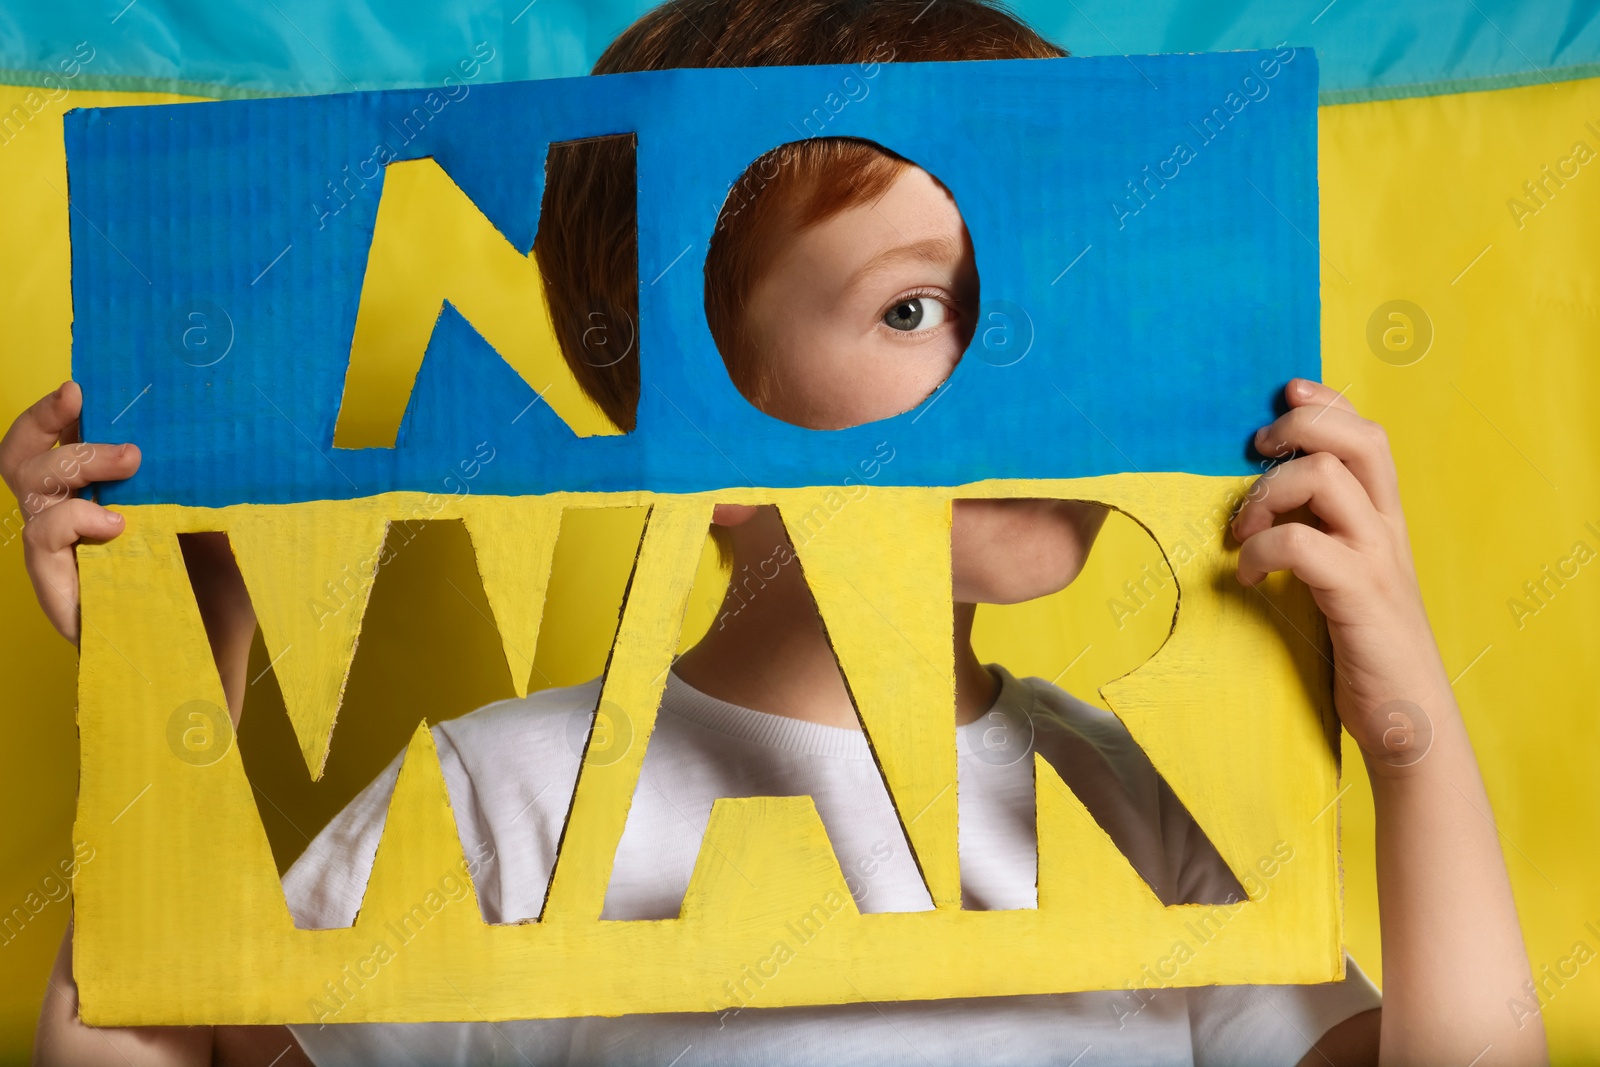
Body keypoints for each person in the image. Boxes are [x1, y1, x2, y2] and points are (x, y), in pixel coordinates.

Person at [7, 1, 1545, 1064]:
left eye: (1060, 290)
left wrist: (1410, 739)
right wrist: (163, 697)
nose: (1022, 359)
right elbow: (143, 1042)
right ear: (692, 415)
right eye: (917, 304)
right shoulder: (505, 802)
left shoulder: (1132, 806)